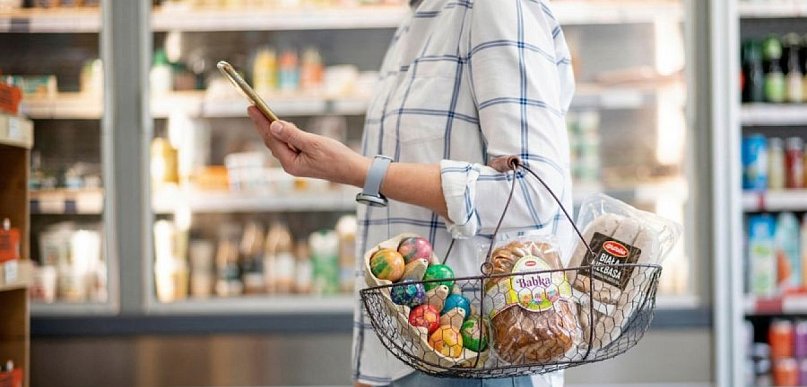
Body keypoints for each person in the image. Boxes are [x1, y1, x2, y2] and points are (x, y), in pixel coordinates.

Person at [248, 0, 575, 385]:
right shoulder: (418, 17)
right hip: (413, 354)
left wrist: (360, 171)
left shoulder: (496, 7)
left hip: (478, 359)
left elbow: (533, 190)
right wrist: (374, 370)